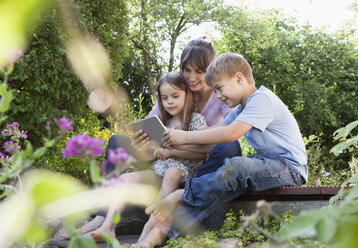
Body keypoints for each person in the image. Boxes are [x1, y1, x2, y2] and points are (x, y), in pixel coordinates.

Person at [78, 39, 242, 241]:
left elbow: (231, 128)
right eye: (187, 70)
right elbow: (153, 124)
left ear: (210, 69)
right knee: (118, 142)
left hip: (198, 160)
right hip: (163, 157)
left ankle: (181, 206)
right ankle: (101, 216)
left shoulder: (220, 94)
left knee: (228, 146)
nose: (192, 78)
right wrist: (142, 140)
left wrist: (184, 140)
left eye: (199, 71)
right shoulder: (176, 88)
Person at [141, 52, 308, 246]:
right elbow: (215, 136)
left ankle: (182, 194)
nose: (218, 97)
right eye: (215, 92)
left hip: (289, 168)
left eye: (219, 89)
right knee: (223, 179)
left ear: (239, 78)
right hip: (268, 164)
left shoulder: (262, 99)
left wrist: (184, 137)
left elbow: (230, 134)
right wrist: (175, 140)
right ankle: (166, 232)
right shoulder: (240, 110)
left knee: (237, 167)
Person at [85, 71, 209, 242]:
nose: (170, 102)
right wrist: (151, 150)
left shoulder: (196, 120)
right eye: (165, 98)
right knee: (126, 179)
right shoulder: (161, 123)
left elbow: (202, 153)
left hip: (183, 175)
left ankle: (149, 228)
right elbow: (152, 153)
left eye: (175, 96)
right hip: (159, 171)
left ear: (187, 95)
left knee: (172, 172)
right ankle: (108, 226)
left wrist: (172, 152)